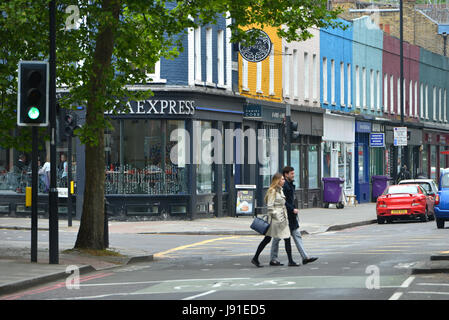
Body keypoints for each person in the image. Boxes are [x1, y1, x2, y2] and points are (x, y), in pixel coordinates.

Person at [270, 166, 318, 266]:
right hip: (285, 216)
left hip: (290, 216)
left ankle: (304, 257)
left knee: (295, 235)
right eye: (291, 173)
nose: (293, 175)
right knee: (277, 237)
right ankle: (274, 258)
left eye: (293, 173)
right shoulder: (285, 186)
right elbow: (284, 202)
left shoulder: (289, 185)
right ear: (286, 174)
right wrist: (292, 209)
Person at [251, 173, 299, 268]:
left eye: (283, 179)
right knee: (269, 239)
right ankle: (256, 258)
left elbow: (283, 203)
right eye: (281, 179)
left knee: (284, 238)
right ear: (277, 181)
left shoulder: (280, 190)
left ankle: (290, 260)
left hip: (282, 218)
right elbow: (270, 206)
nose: (283, 181)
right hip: (276, 220)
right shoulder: (273, 191)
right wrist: (277, 216)